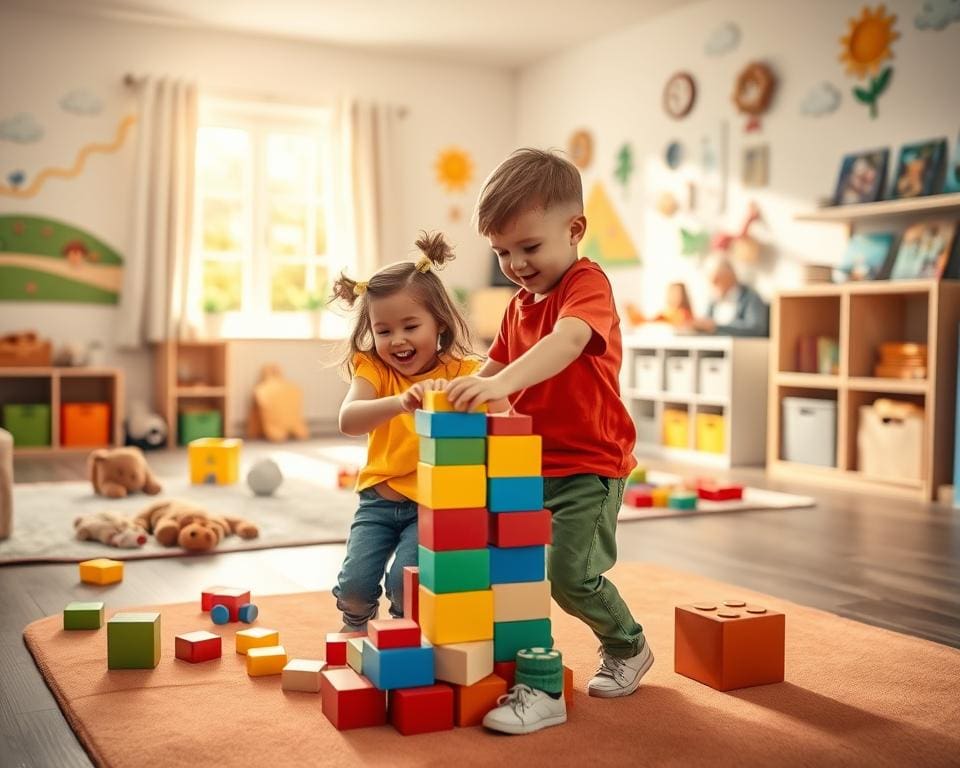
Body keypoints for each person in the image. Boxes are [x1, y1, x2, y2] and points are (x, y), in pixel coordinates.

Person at [446, 148, 653, 734]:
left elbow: (566, 342)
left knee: (570, 575)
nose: (515, 264)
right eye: (502, 252)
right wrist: (456, 389)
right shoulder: (517, 305)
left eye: (529, 248)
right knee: (496, 564)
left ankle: (627, 644)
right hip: (527, 463)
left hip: (590, 464)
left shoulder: (587, 286)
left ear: (575, 229)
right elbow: (496, 364)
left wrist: (502, 381)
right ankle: (512, 660)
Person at [329, 232, 481, 632]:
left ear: (440, 324)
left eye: (410, 326)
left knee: (405, 583)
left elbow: (501, 412)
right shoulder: (374, 370)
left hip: (431, 506)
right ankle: (357, 620)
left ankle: (402, 631)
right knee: (354, 586)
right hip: (378, 501)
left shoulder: (461, 371)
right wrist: (400, 402)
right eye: (383, 330)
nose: (397, 340)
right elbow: (349, 419)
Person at [690, 256, 769, 337]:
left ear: (730, 275)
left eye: (716, 279)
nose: (713, 284)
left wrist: (717, 327)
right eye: (711, 280)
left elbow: (756, 329)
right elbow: (707, 323)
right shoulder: (713, 300)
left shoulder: (751, 298)